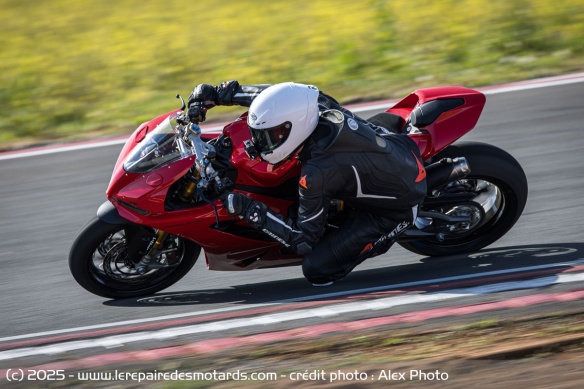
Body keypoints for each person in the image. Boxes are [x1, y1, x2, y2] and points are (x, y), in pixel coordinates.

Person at [187, 80, 427, 286]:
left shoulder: (316, 174)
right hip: (386, 145)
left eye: (271, 136)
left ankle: (385, 231)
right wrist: (217, 94)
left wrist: (250, 209)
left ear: (295, 126)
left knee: (317, 269)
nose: (260, 143)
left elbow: (301, 240)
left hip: (396, 206)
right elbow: (272, 98)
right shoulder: (313, 104)